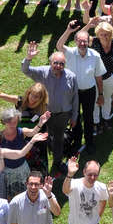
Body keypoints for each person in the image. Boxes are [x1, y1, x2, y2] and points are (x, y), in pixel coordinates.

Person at [22, 41, 79, 174]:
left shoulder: (71, 77)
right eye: (55, 63)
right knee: (42, 139)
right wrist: (28, 58)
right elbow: (25, 70)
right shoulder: (42, 72)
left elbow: (75, 98)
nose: (58, 66)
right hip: (44, 115)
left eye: (61, 64)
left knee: (58, 140)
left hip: (62, 115)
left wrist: (74, 116)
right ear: (50, 62)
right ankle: (40, 165)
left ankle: (57, 163)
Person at [55, 19, 105, 154]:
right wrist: (68, 31)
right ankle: (77, 141)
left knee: (88, 118)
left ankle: (89, 142)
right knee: (74, 117)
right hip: (73, 92)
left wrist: (100, 94)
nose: (82, 43)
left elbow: (99, 77)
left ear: (89, 42)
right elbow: (59, 46)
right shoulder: (70, 53)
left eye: (85, 41)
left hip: (89, 92)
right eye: (80, 41)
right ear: (76, 41)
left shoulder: (95, 56)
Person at [91, 21, 113, 132]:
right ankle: (95, 121)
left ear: (111, 34)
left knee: (107, 98)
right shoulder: (93, 43)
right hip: (95, 78)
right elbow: (79, 36)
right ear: (97, 35)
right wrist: (88, 24)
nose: (105, 36)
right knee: (95, 99)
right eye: (102, 34)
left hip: (110, 77)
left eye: (107, 34)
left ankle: (106, 118)